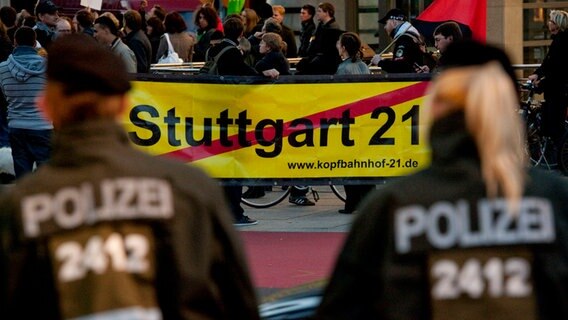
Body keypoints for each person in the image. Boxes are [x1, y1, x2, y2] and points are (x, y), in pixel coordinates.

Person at [0, 33, 261, 319]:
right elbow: (238, 301)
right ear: (125, 104)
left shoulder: (24, 206)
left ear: (47, 106)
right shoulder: (189, 188)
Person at [316, 44, 568, 319]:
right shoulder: (552, 199)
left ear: (435, 108)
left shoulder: (394, 205)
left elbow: (342, 306)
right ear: (506, 110)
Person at [0, 26, 52, 179]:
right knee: (46, 177)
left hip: (16, 126)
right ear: (35, 42)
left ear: (15, 42)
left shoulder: (2, 68)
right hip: (43, 126)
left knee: (23, 177)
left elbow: (5, 94)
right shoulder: (49, 67)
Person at [334, 32, 375, 214]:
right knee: (364, 163)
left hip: (348, 120)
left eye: (339, 43)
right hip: (364, 120)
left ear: (343, 47)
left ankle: (352, 203)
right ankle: (367, 201)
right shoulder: (363, 66)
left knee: (349, 163)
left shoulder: (343, 69)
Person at [528, 9, 568, 152]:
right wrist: (537, 74)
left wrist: (542, 82)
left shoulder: (562, 42)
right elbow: (547, 64)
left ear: (557, 24)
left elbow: (558, 71)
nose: (548, 23)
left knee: (556, 128)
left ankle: (560, 161)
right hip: (555, 89)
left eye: (551, 21)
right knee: (553, 125)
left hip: (559, 90)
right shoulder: (558, 39)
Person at [370, 8, 425, 73]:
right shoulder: (413, 37)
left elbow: (400, 67)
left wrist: (380, 62)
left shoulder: (404, 39)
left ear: (394, 22)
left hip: (407, 82)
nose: (385, 27)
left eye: (386, 23)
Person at [296, 2, 343, 75]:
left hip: (326, 63)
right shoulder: (321, 26)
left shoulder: (332, 29)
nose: (317, 13)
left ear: (326, 13)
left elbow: (326, 49)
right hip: (318, 59)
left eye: (319, 11)